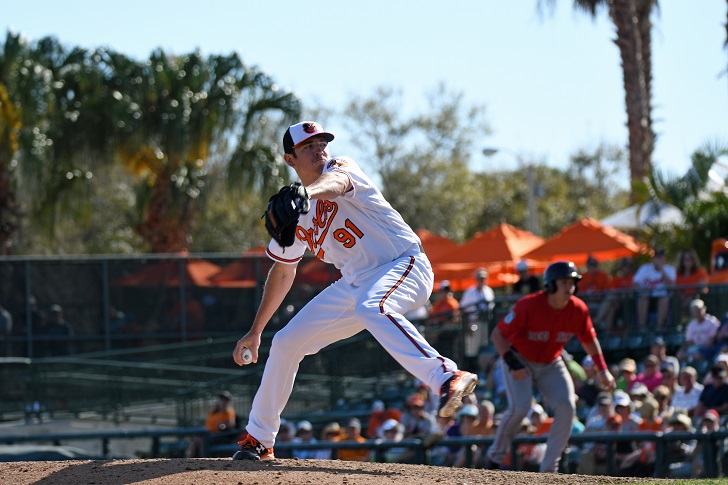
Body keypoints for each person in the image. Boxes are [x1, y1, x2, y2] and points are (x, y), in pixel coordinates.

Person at [231, 121, 477, 461]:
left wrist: (306, 193)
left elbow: (337, 183)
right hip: (356, 283)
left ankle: (447, 376)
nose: (319, 149)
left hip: (402, 263)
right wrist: (255, 331)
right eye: (308, 147)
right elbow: (284, 271)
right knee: (287, 342)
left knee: (371, 306)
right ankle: (259, 439)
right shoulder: (295, 214)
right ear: (290, 159)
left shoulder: (339, 167)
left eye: (321, 143)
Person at [484, 261, 616, 473]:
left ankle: (549, 470)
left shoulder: (578, 309)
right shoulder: (529, 305)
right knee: (521, 408)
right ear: (551, 284)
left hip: (551, 362)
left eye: (572, 282)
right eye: (563, 282)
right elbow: (497, 335)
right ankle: (494, 458)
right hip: (519, 358)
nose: (569, 287)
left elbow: (589, 340)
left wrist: (603, 370)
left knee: (567, 408)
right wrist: (511, 361)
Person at [459, 268, 495, 368]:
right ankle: (472, 368)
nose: (481, 280)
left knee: (484, 345)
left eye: (483, 278)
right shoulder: (469, 292)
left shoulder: (488, 291)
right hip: (474, 322)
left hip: (485, 322)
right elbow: (464, 309)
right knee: (472, 347)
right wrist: (467, 326)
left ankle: (482, 368)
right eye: (479, 278)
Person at [632, 248, 676, 329]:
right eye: (656, 257)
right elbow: (636, 283)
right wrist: (642, 290)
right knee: (642, 297)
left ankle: (659, 327)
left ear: (664, 258)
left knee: (664, 299)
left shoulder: (670, 269)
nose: (658, 259)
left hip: (662, 299)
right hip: (647, 297)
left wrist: (661, 269)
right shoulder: (645, 268)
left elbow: (671, 285)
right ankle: (642, 328)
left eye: (660, 257)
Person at [187, 391, 238, 458]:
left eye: (225, 400)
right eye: (221, 400)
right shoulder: (213, 412)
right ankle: (190, 460)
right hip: (208, 434)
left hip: (218, 435)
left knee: (200, 440)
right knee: (194, 439)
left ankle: (203, 459)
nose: (223, 402)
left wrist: (223, 426)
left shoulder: (229, 412)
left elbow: (231, 424)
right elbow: (207, 425)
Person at [682, 299, 721, 363]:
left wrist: (700, 348)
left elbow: (712, 340)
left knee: (698, 355)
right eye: (694, 311)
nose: (697, 313)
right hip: (695, 348)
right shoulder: (691, 324)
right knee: (681, 354)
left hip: (708, 348)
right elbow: (690, 341)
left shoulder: (712, 321)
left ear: (704, 309)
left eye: (699, 310)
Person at [579, 256, 611, 329]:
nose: (592, 267)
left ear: (597, 266)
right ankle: (585, 329)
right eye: (590, 265)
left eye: (594, 265)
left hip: (600, 303)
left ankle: (598, 323)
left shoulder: (604, 276)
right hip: (587, 303)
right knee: (582, 307)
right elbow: (579, 294)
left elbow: (608, 292)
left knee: (610, 304)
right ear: (587, 266)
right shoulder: (582, 277)